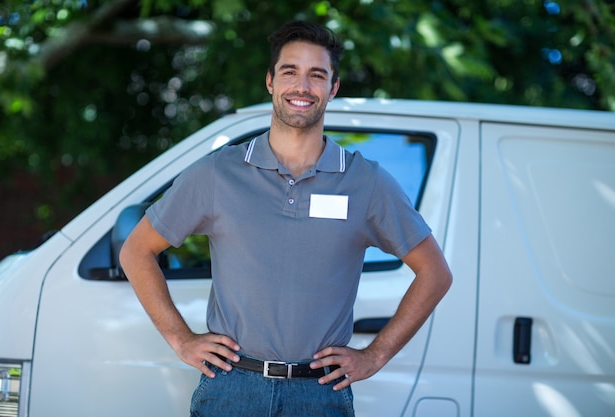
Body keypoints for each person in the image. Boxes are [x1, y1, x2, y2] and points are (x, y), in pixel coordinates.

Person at [120, 20, 452, 417]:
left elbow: (436, 274)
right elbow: (136, 251)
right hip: (230, 389)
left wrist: (375, 355)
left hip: (320, 394)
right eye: (289, 71)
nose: (302, 86)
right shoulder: (217, 174)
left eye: (317, 75)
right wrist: (181, 339)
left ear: (333, 89)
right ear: (270, 82)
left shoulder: (367, 182)